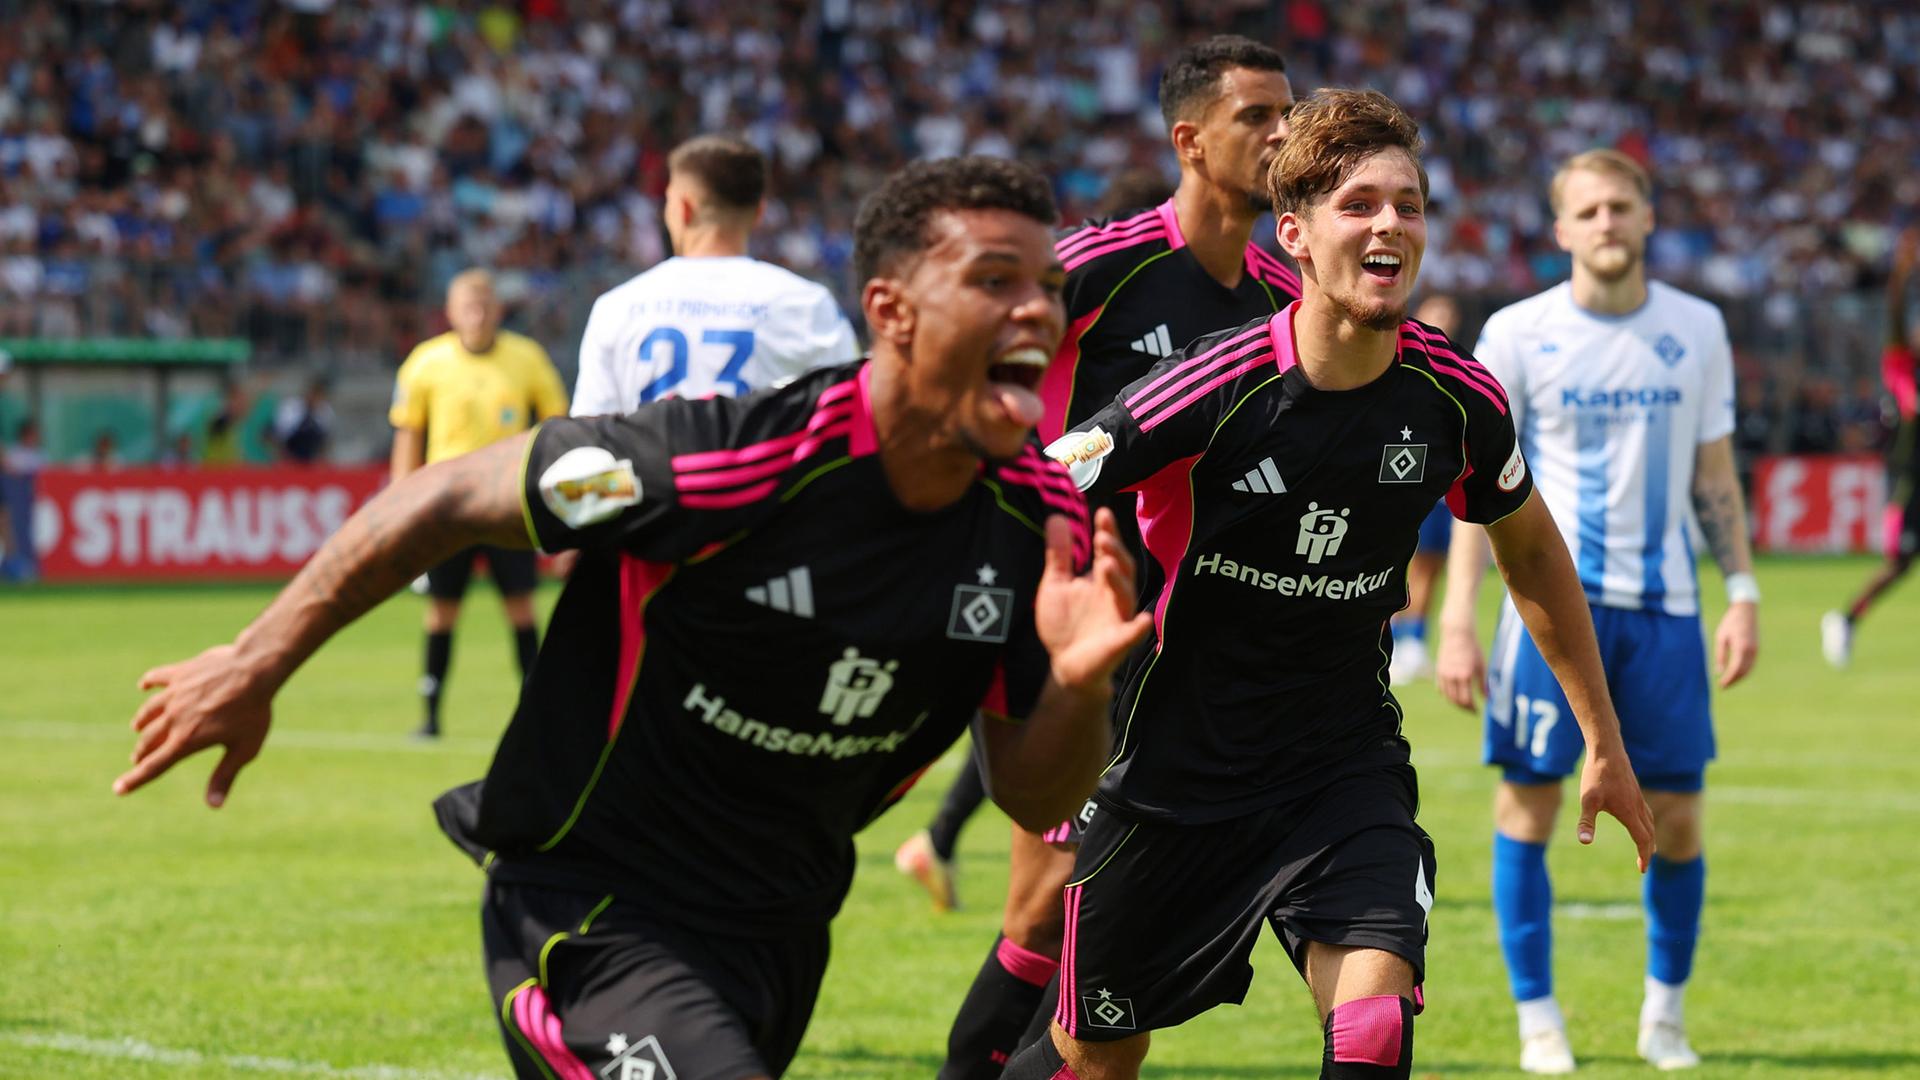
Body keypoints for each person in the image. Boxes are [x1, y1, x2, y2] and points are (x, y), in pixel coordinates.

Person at [113, 156, 1153, 1080]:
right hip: (592, 906)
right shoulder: (726, 462)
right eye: (993, 281)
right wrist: (256, 663)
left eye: (1050, 288)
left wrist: (1076, 685)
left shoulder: (1040, 518)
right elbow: (438, 499)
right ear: (890, 311)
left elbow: (1031, 793)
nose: (1037, 312)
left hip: (780, 926)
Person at [1001, 89, 1654, 1080]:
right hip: (1173, 775)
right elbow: (1036, 486)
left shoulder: (1457, 396)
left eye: (1410, 203)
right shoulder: (1206, 389)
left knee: (1373, 1030)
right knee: (1093, 1061)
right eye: (1360, 204)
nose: (1391, 222)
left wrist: (1603, 741)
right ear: (1296, 234)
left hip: (1339, 770)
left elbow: (1530, 555)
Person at [914, 34, 1304, 1080]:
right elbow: (960, 366)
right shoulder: (1101, 265)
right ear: (1189, 139)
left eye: (1288, 116)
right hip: (1073, 638)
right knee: (1057, 919)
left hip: (1189, 650)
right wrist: (1019, 517)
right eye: (1256, 118)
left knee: (1074, 929)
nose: (1282, 137)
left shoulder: (1282, 297)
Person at [1434, 148, 1760, 1074]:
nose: (1608, 222)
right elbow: (1476, 489)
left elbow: (1713, 474)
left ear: (1650, 216)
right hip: (1544, 613)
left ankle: (1664, 1017)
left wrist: (1742, 590)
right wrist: (1456, 616)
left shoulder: (1697, 329)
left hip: (1664, 611)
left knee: (1681, 819)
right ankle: (1539, 1021)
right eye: (1590, 210)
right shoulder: (1516, 334)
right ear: (1563, 229)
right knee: (1526, 806)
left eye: (1623, 206)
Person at [391, 268, 570, 738]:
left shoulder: (526, 358)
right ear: (450, 312)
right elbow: (409, 437)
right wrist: (400, 504)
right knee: (441, 611)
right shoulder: (426, 363)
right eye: (468, 306)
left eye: (485, 306)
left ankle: (538, 715)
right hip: (446, 508)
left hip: (507, 503)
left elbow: (557, 427)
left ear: (498, 311)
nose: (477, 315)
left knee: (522, 608)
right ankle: (430, 716)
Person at [570, 134, 858, 415]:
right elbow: (848, 420)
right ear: (759, 213)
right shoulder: (807, 305)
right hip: (767, 464)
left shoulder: (616, 308)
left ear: (683, 209)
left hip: (647, 464)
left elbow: (588, 443)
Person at [1823, 225, 1920, 666]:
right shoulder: (1902, 369)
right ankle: (1845, 621)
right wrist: (1901, 273)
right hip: (1910, 483)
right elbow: (1896, 317)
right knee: (1898, 566)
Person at [1387, 293, 1461, 686]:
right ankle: (1393, 643)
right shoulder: (1399, 362)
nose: (1443, 319)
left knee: (1432, 565)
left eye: (1448, 313)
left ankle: (1416, 643)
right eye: (1437, 311)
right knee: (1400, 565)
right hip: (1403, 488)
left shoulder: (1458, 369)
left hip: (1440, 491)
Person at [270, 376, 335, 464]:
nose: (316, 399)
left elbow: (325, 440)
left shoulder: (325, 411)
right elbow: (278, 436)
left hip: (311, 457)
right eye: (314, 394)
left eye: (320, 396)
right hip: (290, 454)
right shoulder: (291, 407)